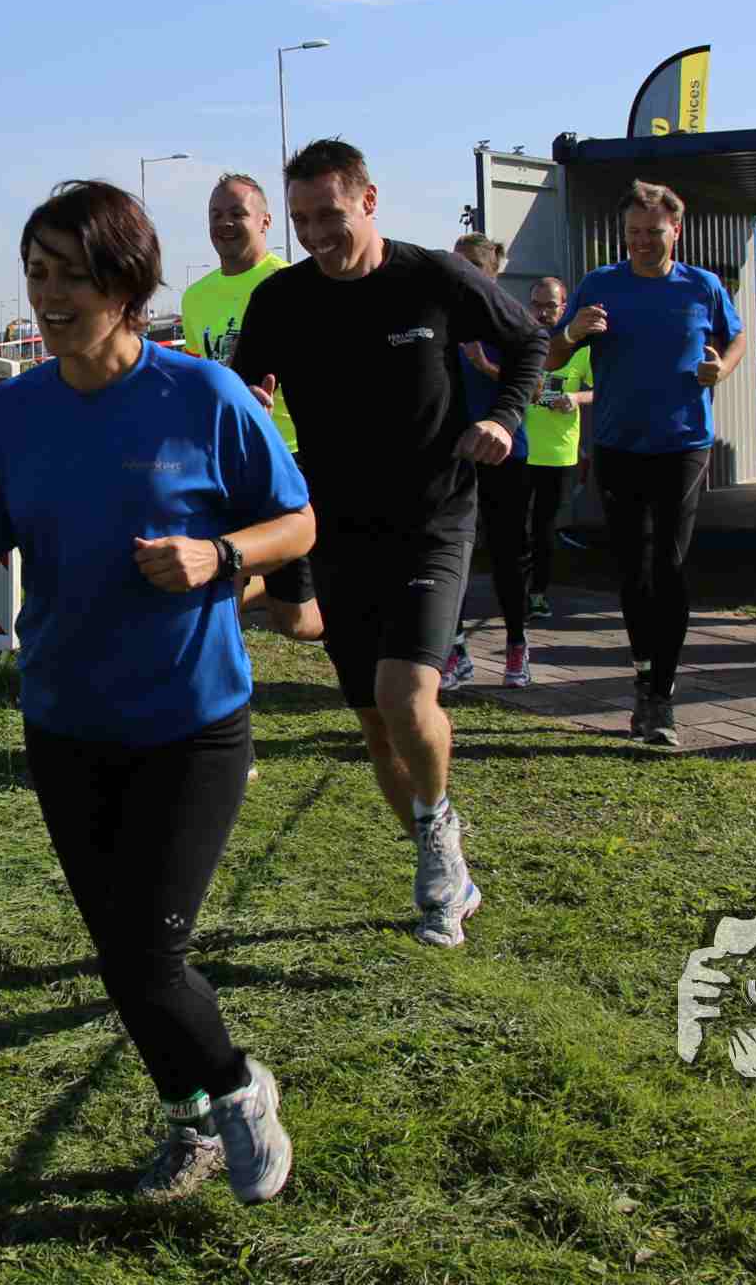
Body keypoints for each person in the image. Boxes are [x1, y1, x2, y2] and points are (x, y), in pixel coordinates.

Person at [0, 179, 313, 1206]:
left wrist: (219, 554)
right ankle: (192, 1118)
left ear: (126, 285)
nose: (49, 297)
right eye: (36, 273)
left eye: (71, 276)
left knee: (147, 957)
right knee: (122, 954)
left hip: (191, 722)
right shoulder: (11, 416)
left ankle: (240, 1087)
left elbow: (299, 523)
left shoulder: (204, 396)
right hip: (65, 720)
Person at [230, 140, 544, 948]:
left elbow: (529, 343)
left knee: (406, 694)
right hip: (336, 526)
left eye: (329, 215)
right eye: (300, 220)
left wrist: (501, 418)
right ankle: (444, 859)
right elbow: (240, 389)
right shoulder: (282, 300)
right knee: (375, 723)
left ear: (369, 201)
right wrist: (250, 403)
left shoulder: (434, 277)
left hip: (433, 518)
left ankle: (437, 840)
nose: (314, 235)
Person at [545, 182, 746, 750]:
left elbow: (735, 339)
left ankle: (662, 695)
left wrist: (722, 369)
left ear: (675, 230)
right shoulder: (601, 285)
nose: (641, 242)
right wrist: (572, 332)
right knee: (633, 569)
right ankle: (642, 678)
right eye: (632, 233)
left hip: (683, 444)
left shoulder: (701, 286)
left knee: (669, 567)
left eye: (652, 233)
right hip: (619, 445)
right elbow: (554, 356)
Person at [179, 174, 322, 642]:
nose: (224, 223)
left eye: (236, 213)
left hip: (289, 455)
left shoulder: (295, 283)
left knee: (297, 622)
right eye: (215, 214)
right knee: (218, 572)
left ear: (265, 222)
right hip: (223, 460)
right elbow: (201, 375)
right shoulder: (195, 297)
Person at [441, 234, 535, 692]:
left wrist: (484, 366)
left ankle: (517, 644)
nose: (461, 274)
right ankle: (455, 651)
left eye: (472, 266)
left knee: (507, 554)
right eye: (456, 264)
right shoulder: (443, 322)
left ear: (491, 273)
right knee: (452, 552)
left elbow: (536, 388)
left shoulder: (511, 321)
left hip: (506, 454)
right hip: (454, 457)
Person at [516, 275, 592, 619]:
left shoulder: (581, 348)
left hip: (558, 453)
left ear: (564, 308)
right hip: (518, 449)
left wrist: (575, 398)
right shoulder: (519, 341)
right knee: (515, 526)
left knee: (544, 528)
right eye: (536, 305)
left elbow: (602, 388)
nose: (543, 312)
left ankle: (538, 593)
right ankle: (515, 591)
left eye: (550, 306)